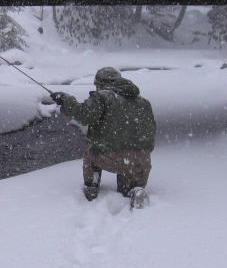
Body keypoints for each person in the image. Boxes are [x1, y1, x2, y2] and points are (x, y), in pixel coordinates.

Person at [50, 67, 156, 207]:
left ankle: (92, 185)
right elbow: (150, 134)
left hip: (111, 159)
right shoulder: (143, 102)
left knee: (91, 150)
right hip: (140, 162)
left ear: (100, 83)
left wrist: (66, 100)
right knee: (128, 177)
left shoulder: (102, 97)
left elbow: (84, 115)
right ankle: (134, 190)